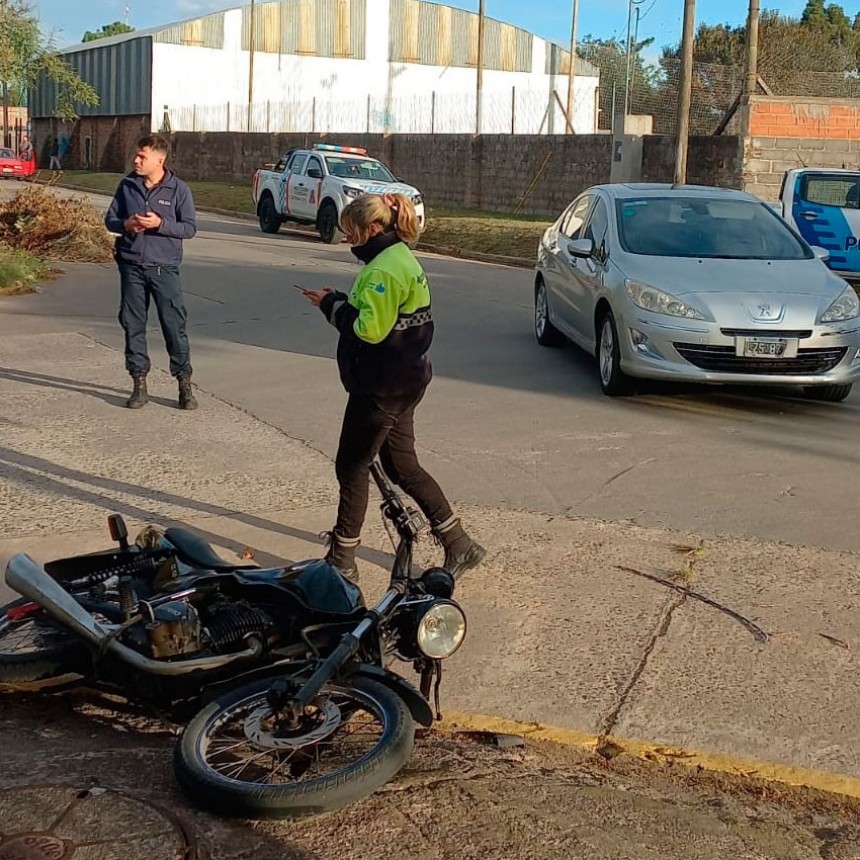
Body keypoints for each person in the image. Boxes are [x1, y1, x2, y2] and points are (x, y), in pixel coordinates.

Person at [302, 193, 486, 583]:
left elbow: (369, 329)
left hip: (380, 387)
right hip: (408, 380)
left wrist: (330, 305)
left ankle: (342, 557)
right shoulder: (402, 256)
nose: (349, 242)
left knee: (352, 466)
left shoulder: (381, 271)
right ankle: (458, 542)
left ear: (372, 229)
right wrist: (339, 300)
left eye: (352, 233)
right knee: (402, 466)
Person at [104, 134, 198, 410]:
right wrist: (126, 224)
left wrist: (160, 223)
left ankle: (184, 384)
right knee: (133, 325)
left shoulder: (179, 190)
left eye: (142, 156)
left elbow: (189, 228)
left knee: (174, 326)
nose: (136, 160)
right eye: (136, 155)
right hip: (131, 265)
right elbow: (110, 219)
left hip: (164, 268)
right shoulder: (127, 186)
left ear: (160, 159)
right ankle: (139, 384)